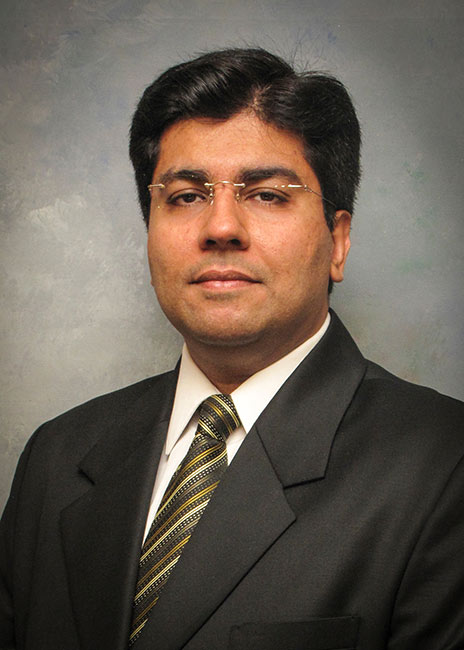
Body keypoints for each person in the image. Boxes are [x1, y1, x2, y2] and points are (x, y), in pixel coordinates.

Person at [1, 47, 463, 650]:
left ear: (338, 241)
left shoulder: (443, 463)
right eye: (186, 196)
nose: (220, 228)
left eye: (267, 194)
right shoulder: (57, 457)